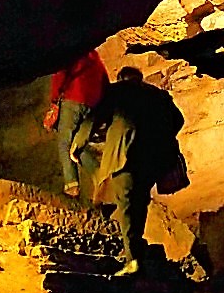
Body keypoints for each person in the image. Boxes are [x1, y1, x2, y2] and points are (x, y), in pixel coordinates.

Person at [70, 66, 185, 276]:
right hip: (153, 159)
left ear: (121, 78)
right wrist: (158, 137)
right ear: (139, 78)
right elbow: (179, 120)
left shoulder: (117, 91)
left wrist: (77, 144)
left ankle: (133, 260)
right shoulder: (158, 95)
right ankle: (136, 254)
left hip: (126, 157)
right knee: (139, 203)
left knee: (126, 206)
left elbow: (94, 117)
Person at [50, 50, 108, 197]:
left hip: (73, 98)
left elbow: (60, 73)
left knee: (64, 140)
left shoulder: (72, 51)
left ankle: (71, 185)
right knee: (76, 142)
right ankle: (99, 174)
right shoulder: (94, 56)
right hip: (92, 103)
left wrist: (54, 98)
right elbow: (104, 79)